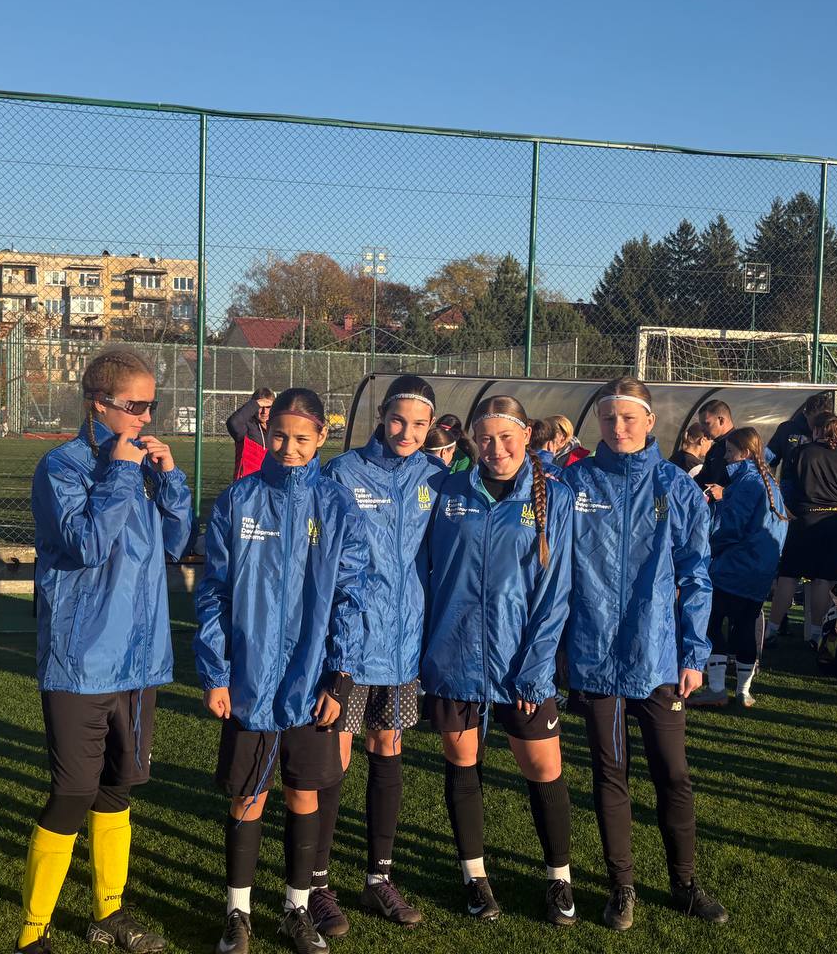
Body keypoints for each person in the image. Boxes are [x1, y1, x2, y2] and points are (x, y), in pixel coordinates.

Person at [18, 348, 193, 954]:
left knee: (117, 788)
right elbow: (87, 544)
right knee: (71, 791)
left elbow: (175, 543)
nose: (147, 417)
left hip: (140, 659)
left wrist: (170, 481)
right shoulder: (62, 467)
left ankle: (108, 914)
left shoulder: (141, 463)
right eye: (136, 406)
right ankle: (33, 931)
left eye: (152, 405)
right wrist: (120, 472)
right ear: (100, 404)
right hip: (82, 659)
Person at [195, 387, 368, 954]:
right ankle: (237, 914)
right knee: (247, 798)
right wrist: (216, 673)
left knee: (303, 795)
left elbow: (352, 595)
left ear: (321, 437)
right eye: (279, 437)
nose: (289, 448)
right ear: (264, 434)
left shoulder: (338, 506)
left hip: (311, 684)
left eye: (301, 438)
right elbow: (214, 593)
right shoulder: (238, 501)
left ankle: (297, 909)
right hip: (247, 681)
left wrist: (340, 676)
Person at [560, 377, 726, 933]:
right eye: (609, 419)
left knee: (673, 775)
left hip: (658, 660)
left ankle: (684, 883)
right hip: (595, 657)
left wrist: (695, 653)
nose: (619, 427)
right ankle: (622, 887)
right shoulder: (573, 482)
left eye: (629, 418)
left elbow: (697, 575)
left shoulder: (675, 487)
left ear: (650, 422)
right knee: (611, 773)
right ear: (599, 423)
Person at [422, 395, 575, 925]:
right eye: (484, 438)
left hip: (521, 665)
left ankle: (559, 878)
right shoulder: (447, 492)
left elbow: (556, 593)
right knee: (463, 766)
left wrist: (535, 667)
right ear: (472, 440)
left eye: (506, 437)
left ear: (527, 435)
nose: (495, 448)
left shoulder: (555, 497)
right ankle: (475, 877)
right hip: (455, 658)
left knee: (543, 768)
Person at [311, 376, 449, 935]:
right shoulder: (343, 474)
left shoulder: (437, 479)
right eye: (398, 420)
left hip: (404, 646)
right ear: (381, 416)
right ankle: (317, 885)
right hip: (350, 643)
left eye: (419, 424)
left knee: (386, 748)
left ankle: (377, 878)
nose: (407, 432)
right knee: (333, 760)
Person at [690, 427, 789, 708]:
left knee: (711, 622)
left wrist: (711, 535)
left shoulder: (747, 483)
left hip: (734, 567)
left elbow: (730, 528)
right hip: (759, 569)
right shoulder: (768, 482)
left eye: (731, 452)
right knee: (744, 627)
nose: (727, 457)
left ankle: (717, 688)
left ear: (745, 453)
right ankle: (744, 692)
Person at [767, 413, 837, 645]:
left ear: (817, 430)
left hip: (803, 519)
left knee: (789, 575)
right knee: (822, 579)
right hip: (834, 523)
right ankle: (814, 633)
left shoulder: (800, 454)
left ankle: (771, 629)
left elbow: (787, 488)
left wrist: (787, 515)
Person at [767, 393, 833, 501]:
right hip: (792, 489)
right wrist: (773, 491)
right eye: (816, 419)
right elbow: (770, 459)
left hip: (824, 491)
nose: (820, 424)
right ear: (806, 414)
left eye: (824, 419)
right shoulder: (788, 429)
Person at [226, 388, 275, 481]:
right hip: (246, 487)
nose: (264, 412)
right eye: (260, 407)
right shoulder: (246, 428)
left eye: (268, 407)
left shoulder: (276, 429)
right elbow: (233, 423)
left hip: (268, 485)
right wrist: (256, 404)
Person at [694, 399, 734, 495]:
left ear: (721, 420)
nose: (702, 429)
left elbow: (751, 481)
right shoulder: (714, 450)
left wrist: (724, 492)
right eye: (701, 425)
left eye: (706, 423)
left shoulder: (741, 446)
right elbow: (702, 480)